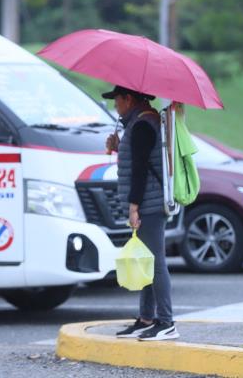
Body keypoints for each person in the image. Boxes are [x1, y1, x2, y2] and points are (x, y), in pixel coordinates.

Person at [103, 85, 179, 342]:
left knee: (156, 263)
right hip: (149, 201)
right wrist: (119, 146)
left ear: (129, 99)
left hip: (149, 204)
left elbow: (140, 171)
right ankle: (147, 318)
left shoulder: (143, 125)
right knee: (147, 261)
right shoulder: (141, 123)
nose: (115, 105)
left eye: (117, 100)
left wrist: (133, 206)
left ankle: (167, 322)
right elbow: (139, 160)